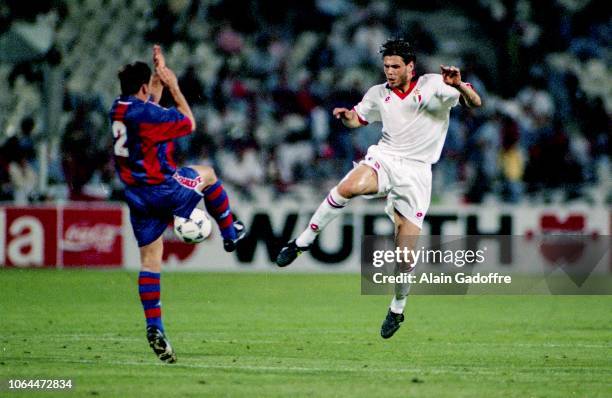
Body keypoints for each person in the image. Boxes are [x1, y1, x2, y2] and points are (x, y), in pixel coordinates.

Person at [276, 39, 481, 338]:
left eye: (395, 66)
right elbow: (357, 120)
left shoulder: (435, 84)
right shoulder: (377, 94)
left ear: (410, 67)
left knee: (404, 257)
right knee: (349, 187)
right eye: (386, 66)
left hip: (417, 173)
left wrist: (460, 85)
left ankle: (397, 308)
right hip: (386, 157)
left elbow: (475, 103)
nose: (390, 72)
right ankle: (303, 242)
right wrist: (347, 117)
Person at [109, 45, 246, 363]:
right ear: (143, 87)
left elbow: (148, 103)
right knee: (208, 174)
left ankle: (154, 326)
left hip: (136, 196)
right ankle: (230, 233)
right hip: (163, 188)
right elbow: (188, 123)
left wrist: (157, 76)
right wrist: (172, 84)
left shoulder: (119, 107)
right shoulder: (145, 113)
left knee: (150, 261)